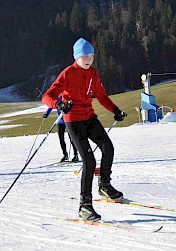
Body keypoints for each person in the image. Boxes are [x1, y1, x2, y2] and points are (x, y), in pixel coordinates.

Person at [42, 37, 127, 221]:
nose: (89, 59)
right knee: (89, 161)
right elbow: (47, 96)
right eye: (85, 56)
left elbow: (102, 97)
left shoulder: (93, 74)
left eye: (91, 56)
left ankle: (104, 185)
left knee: (108, 147)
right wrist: (59, 105)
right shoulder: (67, 73)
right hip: (73, 121)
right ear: (77, 57)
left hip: (89, 117)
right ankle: (85, 206)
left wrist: (116, 110)